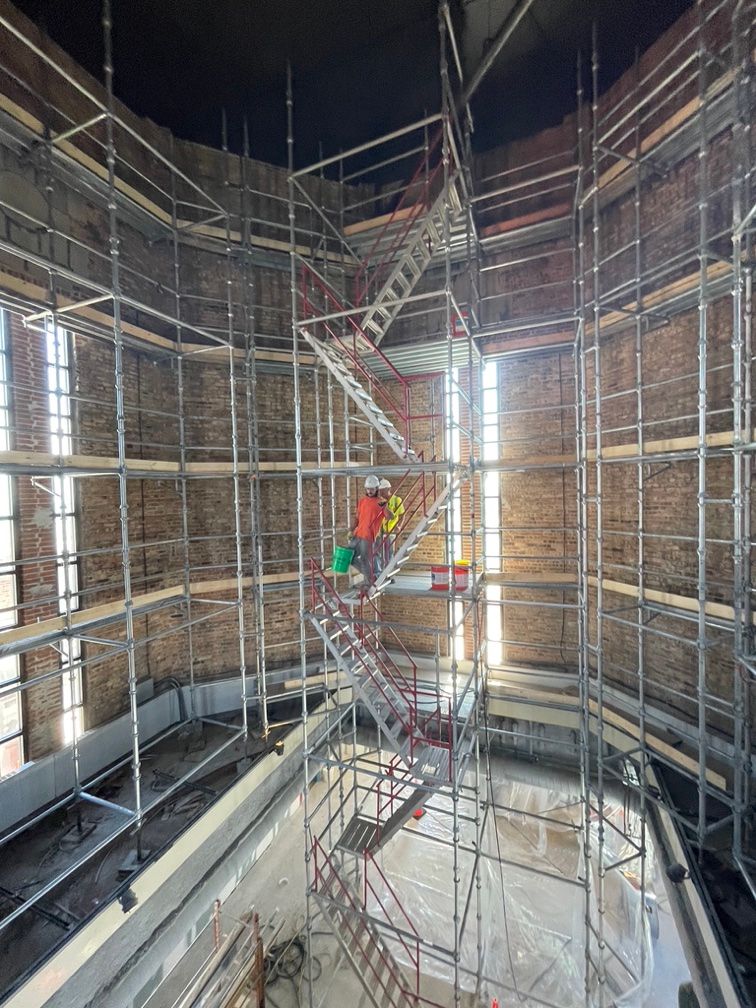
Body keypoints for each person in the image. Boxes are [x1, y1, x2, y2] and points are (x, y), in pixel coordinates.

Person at [348, 475, 387, 585]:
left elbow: (390, 517)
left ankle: (370, 581)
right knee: (349, 557)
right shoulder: (362, 501)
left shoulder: (380, 502)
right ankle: (371, 576)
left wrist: (385, 506)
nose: (369, 491)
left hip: (369, 536)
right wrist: (351, 530)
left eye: (372, 489)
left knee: (365, 560)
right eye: (368, 489)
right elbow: (357, 518)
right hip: (358, 534)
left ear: (377, 489)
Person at [379, 477, 405, 568]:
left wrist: (399, 526)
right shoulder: (380, 501)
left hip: (390, 531)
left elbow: (402, 515)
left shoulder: (397, 500)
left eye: (382, 491)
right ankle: (381, 573)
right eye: (379, 491)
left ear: (388, 489)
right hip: (380, 531)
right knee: (380, 553)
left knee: (389, 553)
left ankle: (389, 574)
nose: (380, 493)